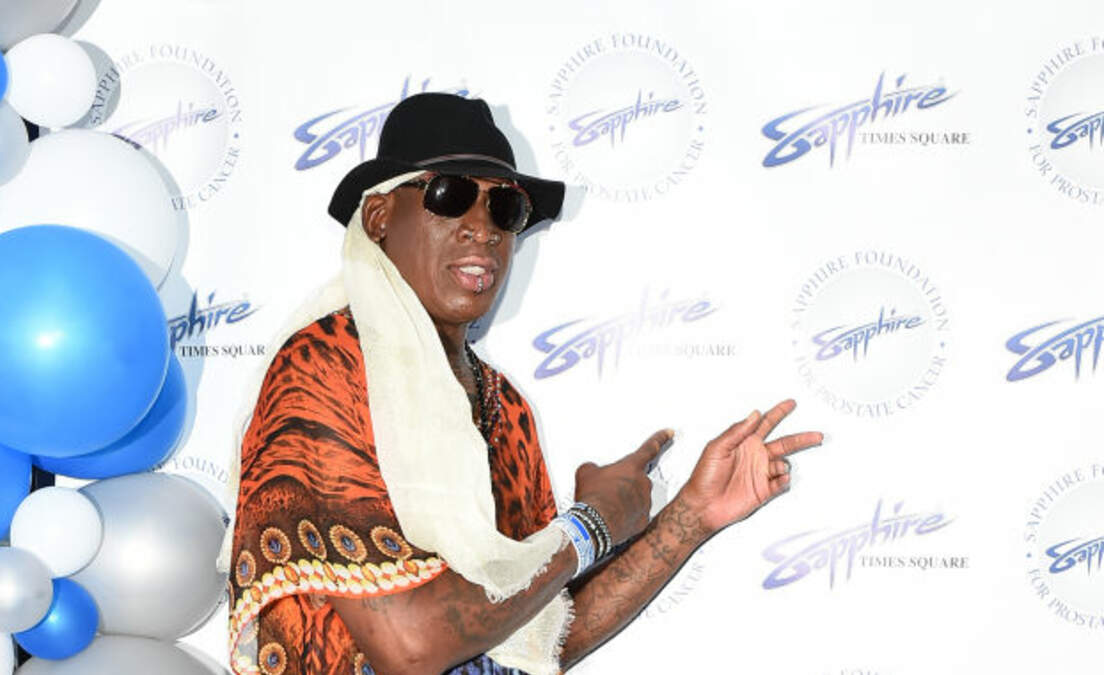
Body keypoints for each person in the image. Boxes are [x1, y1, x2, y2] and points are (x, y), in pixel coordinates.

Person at [226, 93, 822, 675]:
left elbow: (540, 639)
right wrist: (589, 526)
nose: (482, 228)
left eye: (505, 209)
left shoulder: (503, 405)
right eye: (450, 195)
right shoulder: (321, 370)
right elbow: (406, 647)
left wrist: (690, 516)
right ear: (380, 217)